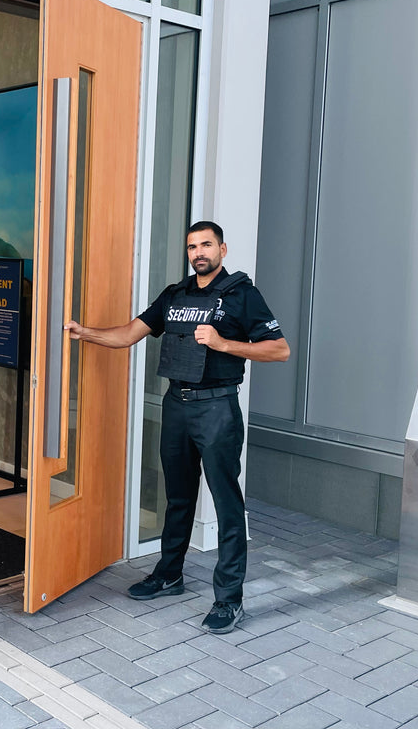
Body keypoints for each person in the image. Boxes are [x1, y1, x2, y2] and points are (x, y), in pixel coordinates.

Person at [64, 221, 289, 634]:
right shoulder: (175, 295)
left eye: (206, 244)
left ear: (222, 248)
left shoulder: (243, 295)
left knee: (226, 503)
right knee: (179, 497)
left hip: (218, 408)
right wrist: (85, 334)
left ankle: (229, 599)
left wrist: (223, 344)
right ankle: (169, 575)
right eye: (192, 246)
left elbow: (279, 350)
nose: (198, 252)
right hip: (177, 406)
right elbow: (131, 333)